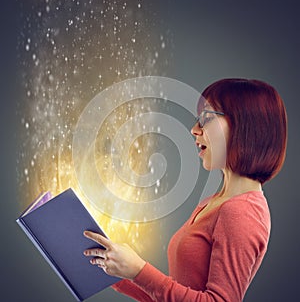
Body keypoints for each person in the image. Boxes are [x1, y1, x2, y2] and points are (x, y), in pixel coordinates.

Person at [83, 78, 287, 301]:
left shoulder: (241, 212)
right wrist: (118, 271)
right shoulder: (214, 202)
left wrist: (138, 270)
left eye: (208, 118)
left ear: (246, 126)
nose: (194, 129)